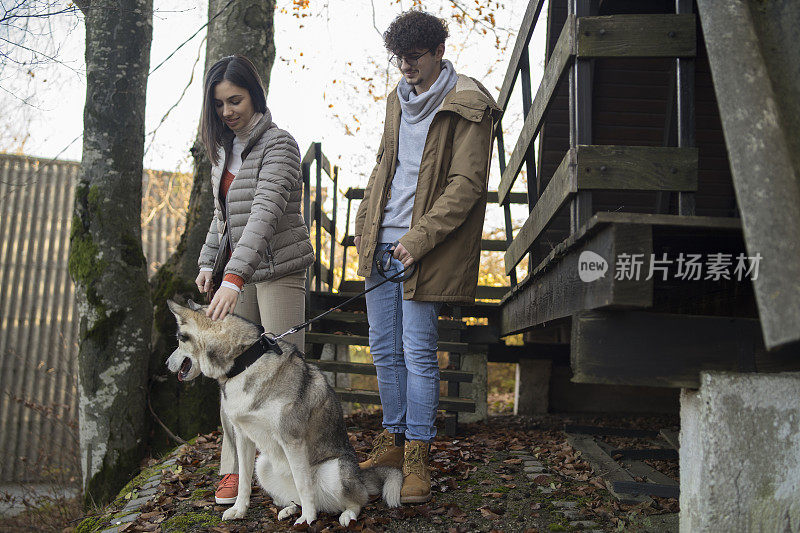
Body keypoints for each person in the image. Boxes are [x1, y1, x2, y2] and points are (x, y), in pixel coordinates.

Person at [353, 10, 500, 503]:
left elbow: (466, 186)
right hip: (381, 244)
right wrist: (363, 228)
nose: (405, 67)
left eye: (414, 57)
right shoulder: (397, 101)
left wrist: (417, 240)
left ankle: (418, 451)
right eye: (399, 58)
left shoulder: (469, 105)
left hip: (426, 248)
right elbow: (383, 166)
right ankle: (392, 438)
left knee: (418, 352)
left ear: (438, 50)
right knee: (383, 349)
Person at [195, 54, 314, 505]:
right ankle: (233, 471)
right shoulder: (223, 152)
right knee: (234, 377)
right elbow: (222, 218)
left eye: (236, 100)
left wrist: (233, 276)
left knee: (286, 378)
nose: (228, 111)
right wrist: (210, 263)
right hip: (234, 277)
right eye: (220, 104)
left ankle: (291, 470)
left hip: (278, 271)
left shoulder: (280, 145)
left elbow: (264, 214)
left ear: (255, 96)